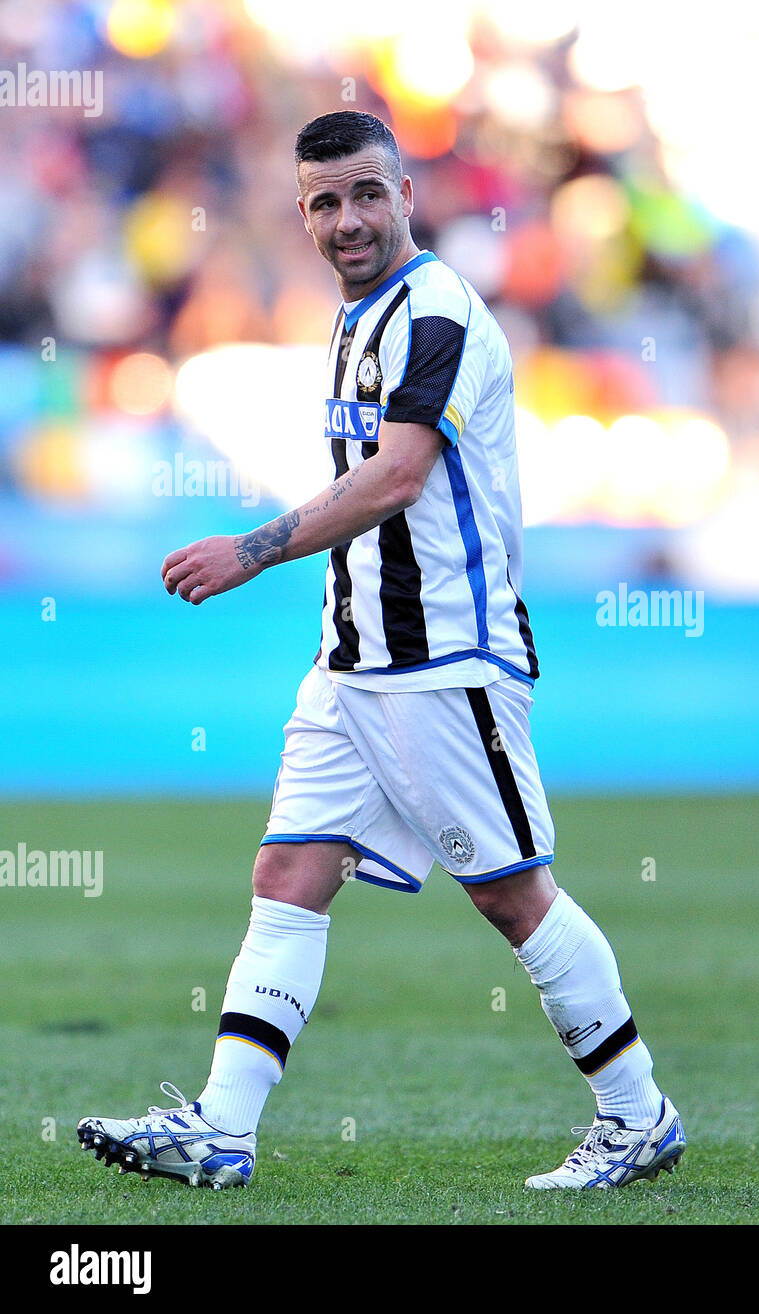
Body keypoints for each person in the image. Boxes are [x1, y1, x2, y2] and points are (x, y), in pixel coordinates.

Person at [76, 110, 684, 1191]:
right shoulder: (359, 317)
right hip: (351, 662)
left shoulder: (437, 310)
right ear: (301, 212)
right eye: (324, 202)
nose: (347, 219)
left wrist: (253, 550)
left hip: (445, 657)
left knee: (512, 893)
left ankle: (637, 1116)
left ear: (405, 192)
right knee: (289, 871)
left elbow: (399, 475)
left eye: (366, 193)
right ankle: (224, 1125)